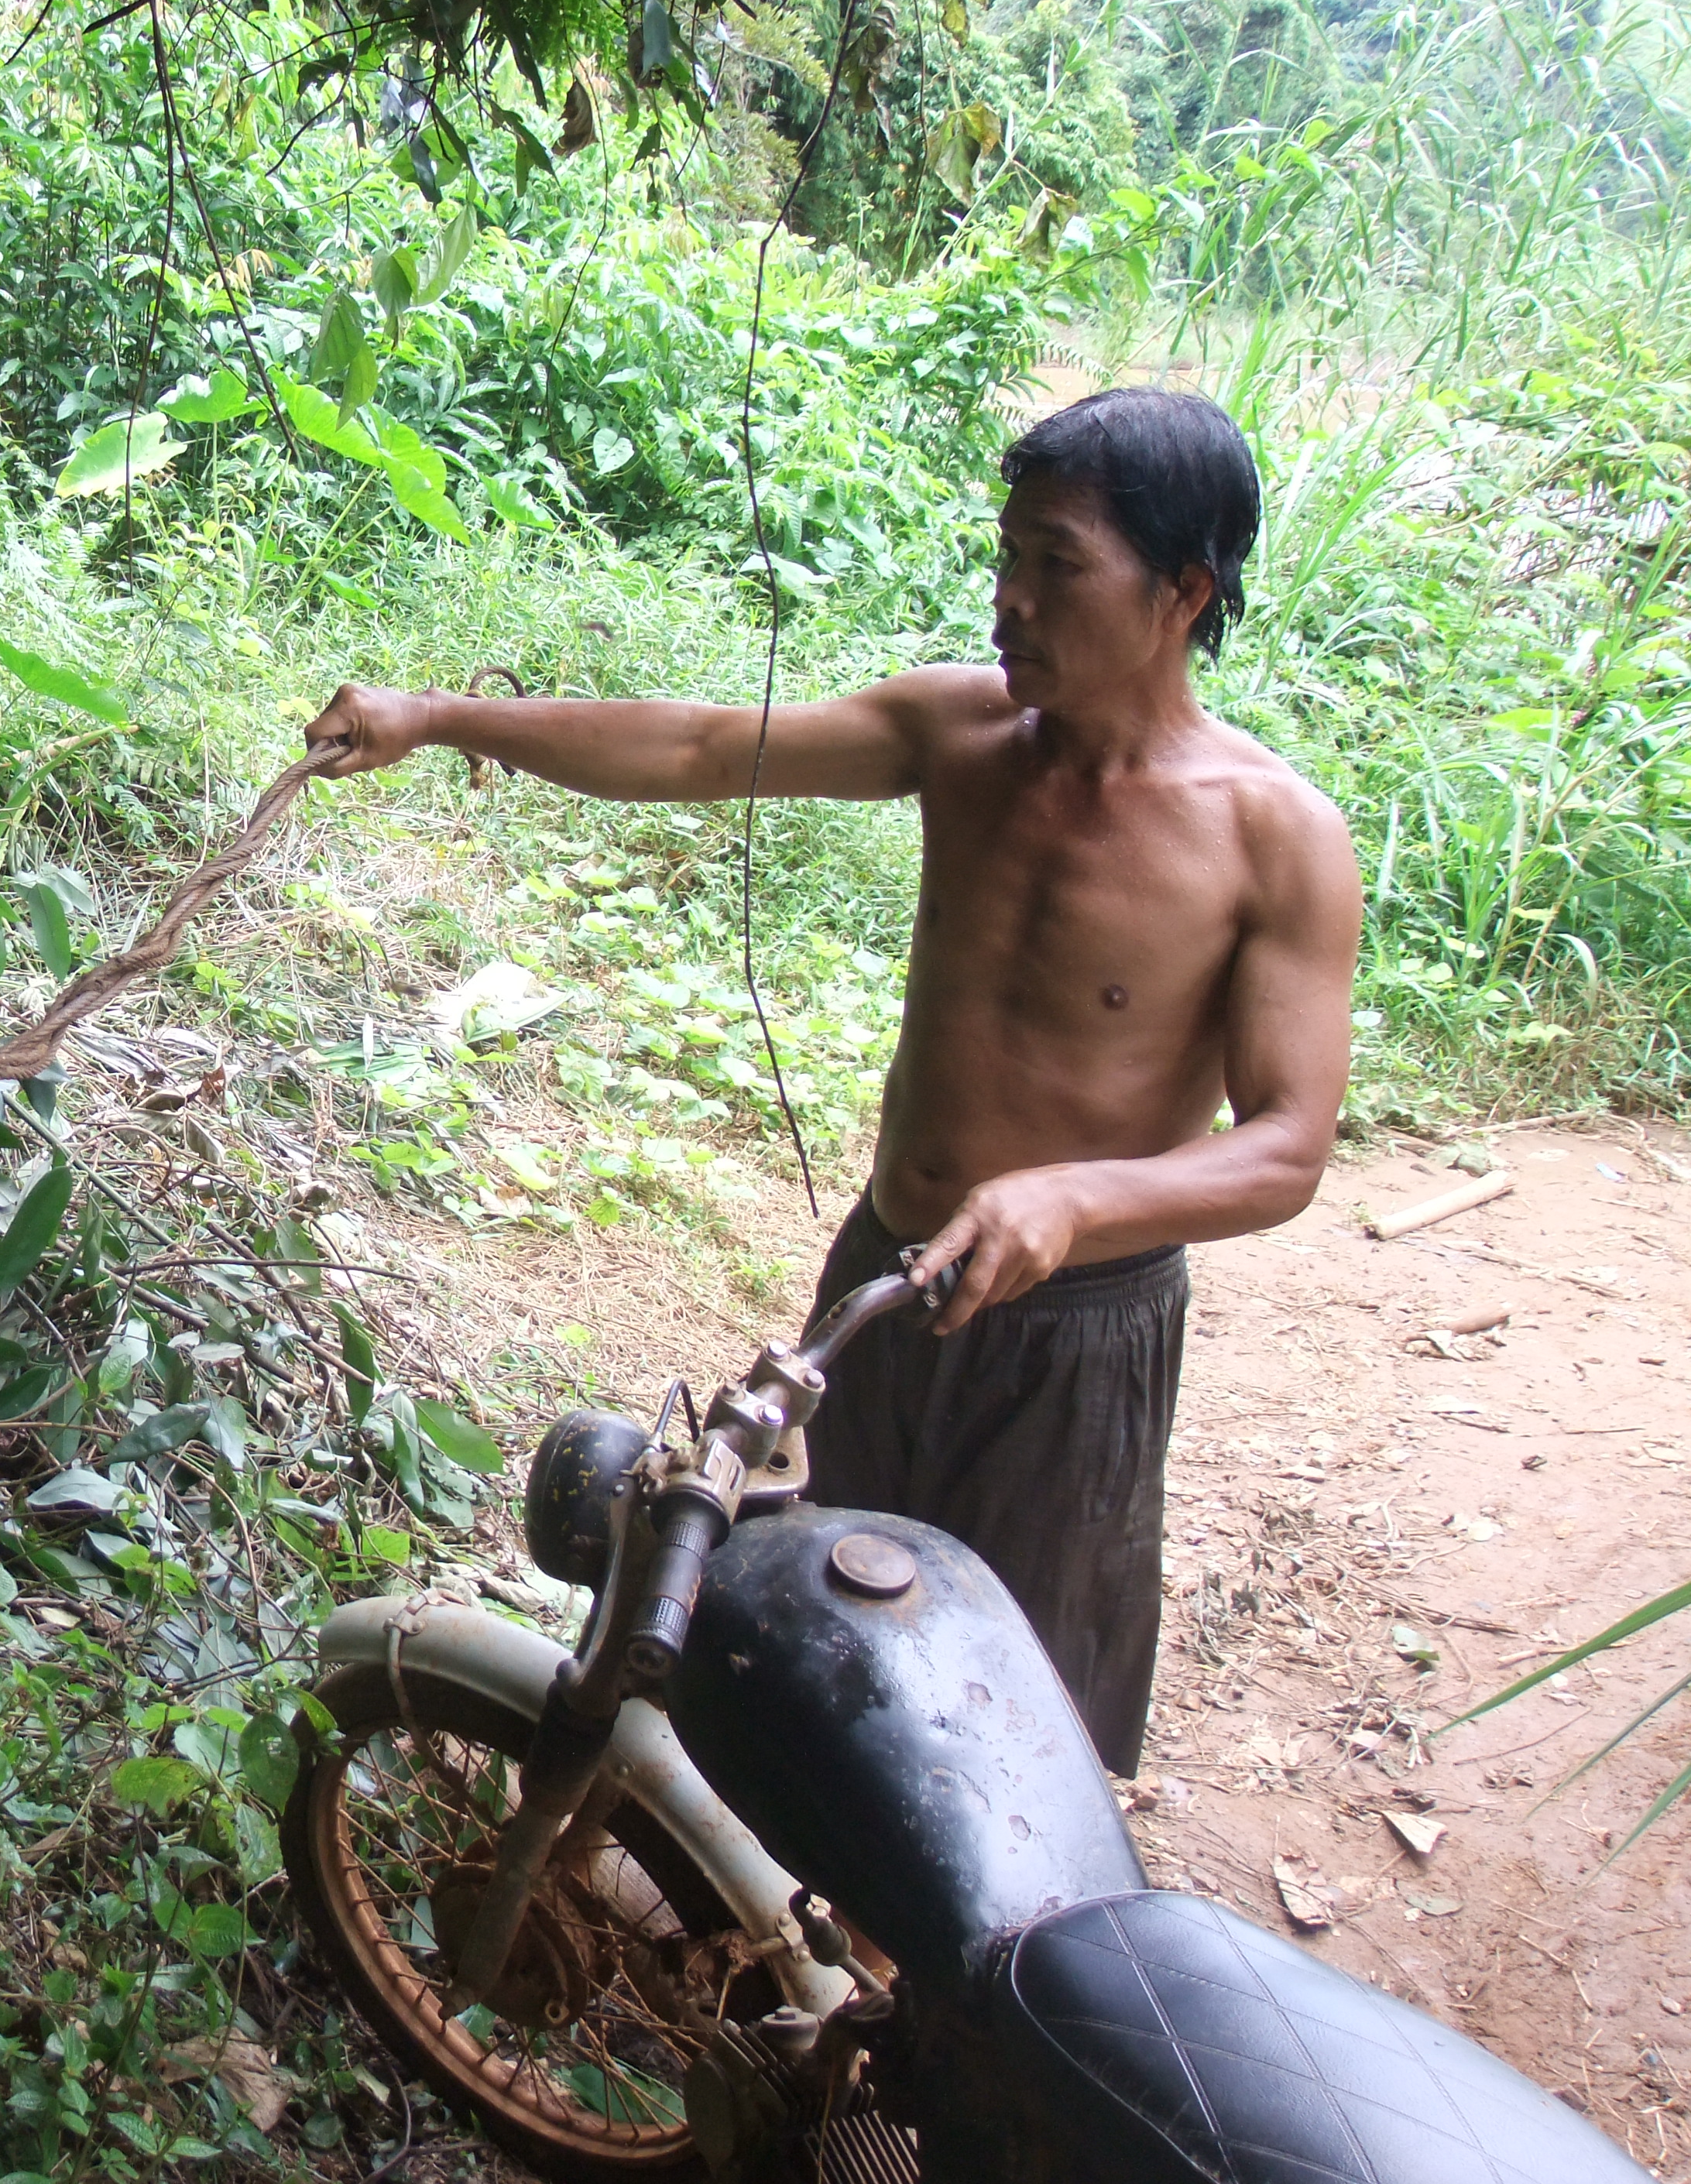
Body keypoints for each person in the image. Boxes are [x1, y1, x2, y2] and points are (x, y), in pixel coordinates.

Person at [302, 388, 1363, 1774]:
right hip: (882, 1287)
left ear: (1183, 593)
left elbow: (1287, 1148)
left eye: (1058, 565)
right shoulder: (956, 734)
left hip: (1070, 1342)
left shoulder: (1275, 839)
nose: (1011, 599)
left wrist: (1074, 1200)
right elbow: (697, 748)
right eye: (1009, 555)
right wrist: (441, 718)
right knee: (803, 1643)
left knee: (1010, 1724)